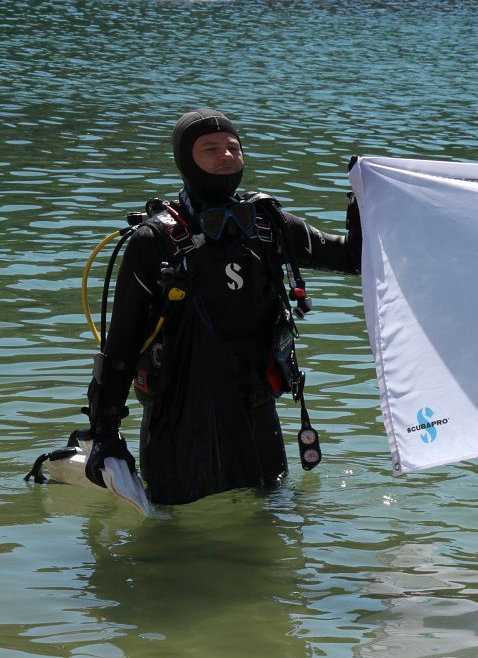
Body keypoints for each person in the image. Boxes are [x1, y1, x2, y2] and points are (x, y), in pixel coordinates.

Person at [84, 108, 361, 505]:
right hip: (179, 410)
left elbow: (352, 257)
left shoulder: (269, 224)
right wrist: (106, 436)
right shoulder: (153, 240)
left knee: (270, 503)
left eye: (233, 147)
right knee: (177, 518)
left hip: (254, 397)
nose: (226, 155)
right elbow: (121, 345)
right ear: (186, 160)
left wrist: (363, 197)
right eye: (210, 149)